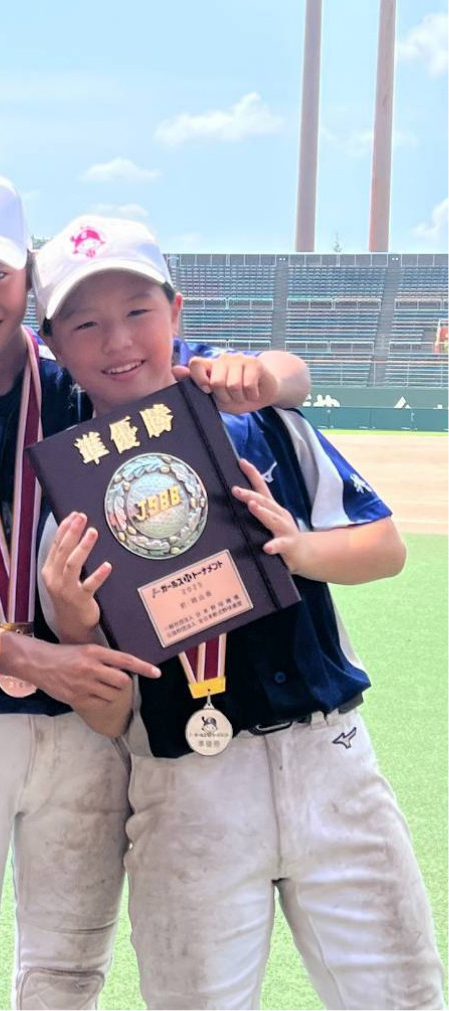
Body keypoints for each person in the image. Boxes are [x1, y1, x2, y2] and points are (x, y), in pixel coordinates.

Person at [0, 174, 313, 1010]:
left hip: (90, 722)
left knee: (68, 974)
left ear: (30, 273)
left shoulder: (95, 371)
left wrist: (278, 373)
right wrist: (39, 656)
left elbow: (264, 372)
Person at [36, 214, 444, 1010]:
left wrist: (299, 549)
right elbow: (102, 698)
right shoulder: (72, 490)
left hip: (332, 757)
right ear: (54, 345)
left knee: (405, 996)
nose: (118, 339)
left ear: (176, 313)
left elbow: (386, 545)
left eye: (138, 311)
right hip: (187, 783)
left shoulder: (265, 426)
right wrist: (70, 615)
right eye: (86, 323)